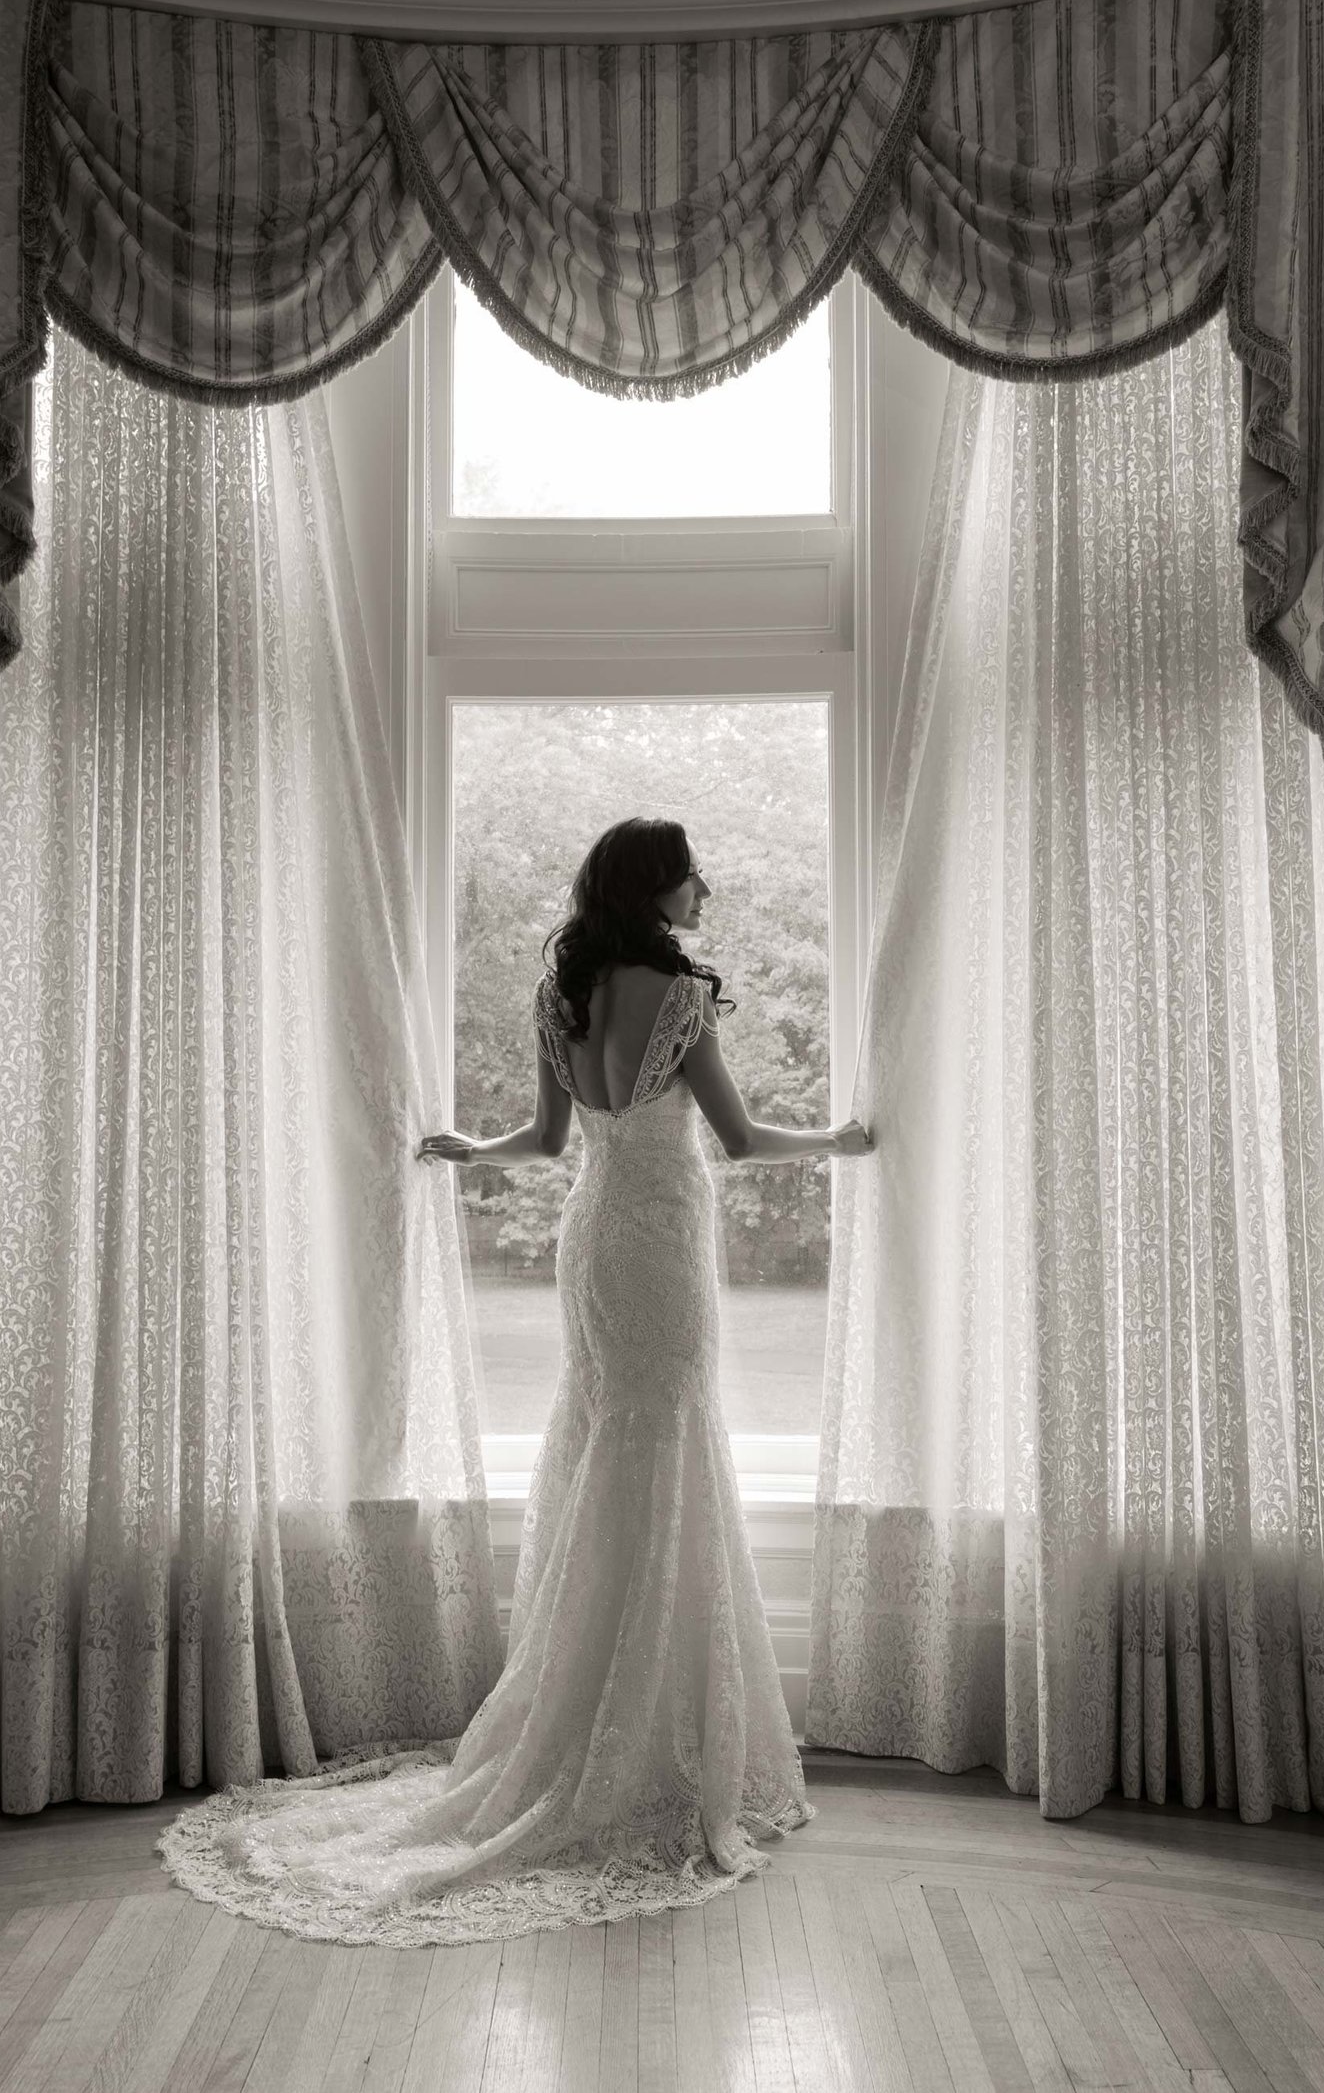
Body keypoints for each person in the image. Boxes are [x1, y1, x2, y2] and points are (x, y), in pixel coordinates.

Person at [159, 817, 874, 1946]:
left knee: (604, 1439)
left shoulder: (563, 996)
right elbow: (736, 1141)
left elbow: (546, 1143)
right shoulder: (677, 996)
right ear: (655, 887)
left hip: (591, 1240)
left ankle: (583, 1706)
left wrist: (469, 1152)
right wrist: (838, 1141)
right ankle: (639, 1728)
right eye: (692, 874)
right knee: (662, 1441)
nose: (706, 891)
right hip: (662, 1241)